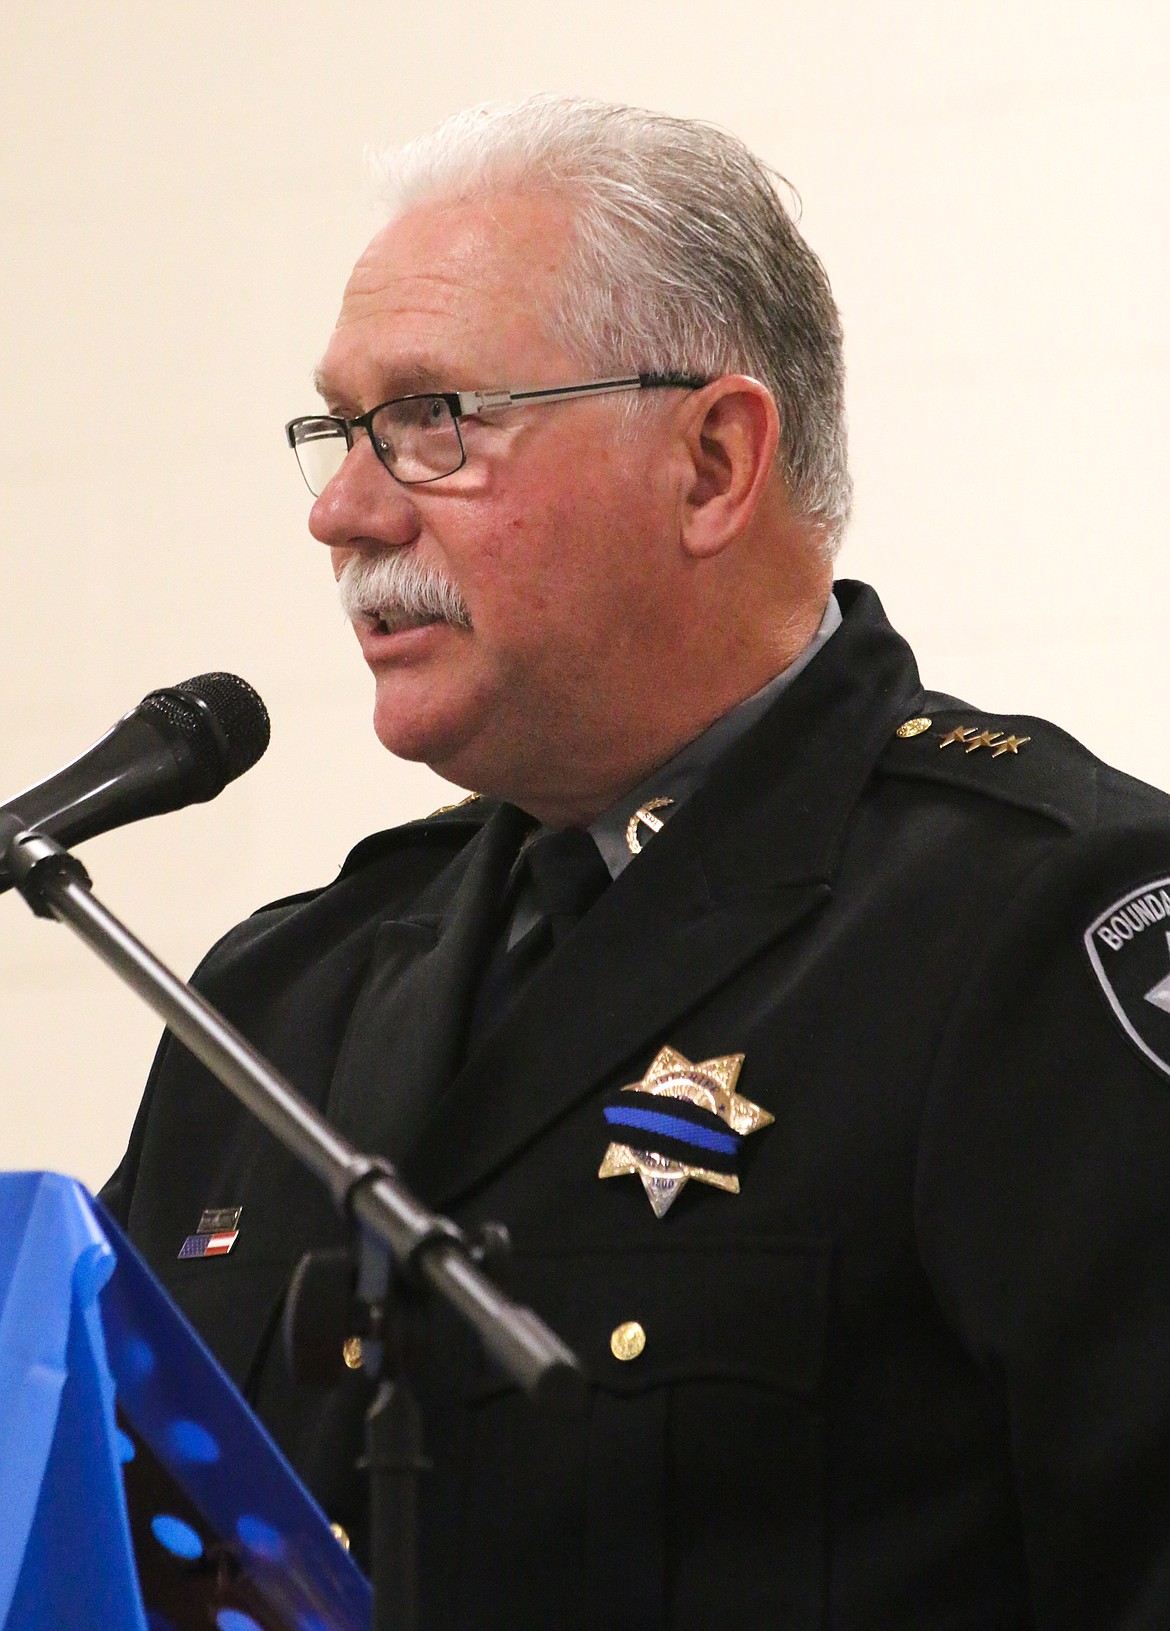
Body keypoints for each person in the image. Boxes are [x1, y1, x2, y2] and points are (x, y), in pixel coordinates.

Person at [103, 97, 1170, 1628]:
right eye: (339, 431)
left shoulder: (1035, 928)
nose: (343, 508)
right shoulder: (277, 993)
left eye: (435, 419)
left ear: (712, 461)